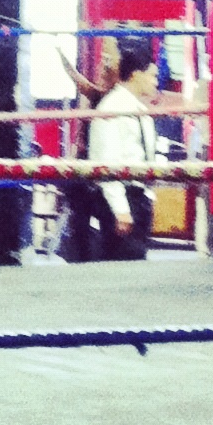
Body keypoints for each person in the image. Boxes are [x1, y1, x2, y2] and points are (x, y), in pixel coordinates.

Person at [81, 36, 160, 260]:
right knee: (122, 265)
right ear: (135, 75)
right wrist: (120, 209)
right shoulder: (113, 107)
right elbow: (107, 161)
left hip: (137, 197)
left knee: (134, 264)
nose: (156, 82)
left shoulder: (137, 108)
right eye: (152, 75)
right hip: (123, 198)